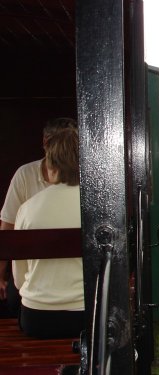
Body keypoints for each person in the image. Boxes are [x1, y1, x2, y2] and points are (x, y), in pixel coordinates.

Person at [0, 118, 77, 318]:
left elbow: (19, 280)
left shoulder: (27, 209)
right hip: (85, 307)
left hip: (37, 312)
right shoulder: (24, 175)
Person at [14, 127, 84, 339]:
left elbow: (18, 281)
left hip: (36, 318)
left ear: (51, 166)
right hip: (85, 314)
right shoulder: (97, 206)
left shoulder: (27, 209)